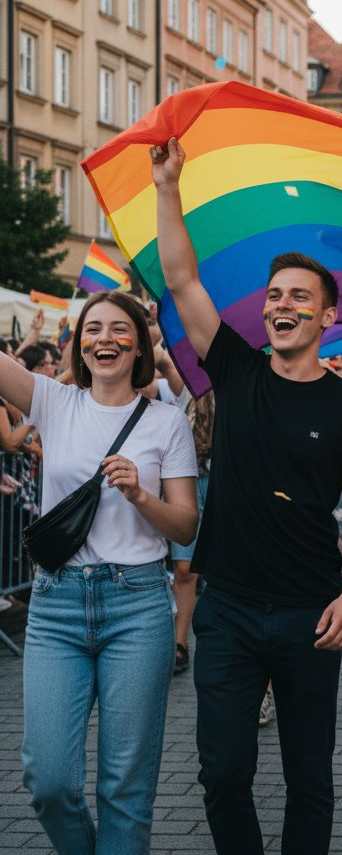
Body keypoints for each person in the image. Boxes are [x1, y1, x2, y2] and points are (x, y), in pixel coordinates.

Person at [150, 136, 342, 855]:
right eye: (275, 295)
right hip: (225, 611)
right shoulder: (236, 370)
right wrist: (167, 187)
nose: (282, 305)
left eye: (299, 299)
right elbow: (183, 278)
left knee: (310, 778)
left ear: (325, 318)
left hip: (311, 613)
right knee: (222, 773)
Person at [4, 290, 199, 854]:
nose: (104, 339)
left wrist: (140, 493)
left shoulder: (167, 423)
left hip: (136, 606)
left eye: (119, 329)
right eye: (93, 329)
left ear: (139, 342)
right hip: (57, 605)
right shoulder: (53, 401)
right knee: (49, 781)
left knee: (125, 790)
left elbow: (185, 526)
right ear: (79, 343)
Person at [172, 392, 215, 676]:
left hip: (223, 477)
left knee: (225, 567)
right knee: (184, 567)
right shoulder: (187, 380)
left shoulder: (239, 373)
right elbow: (159, 360)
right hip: (190, 476)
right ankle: (179, 641)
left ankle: (220, 637)